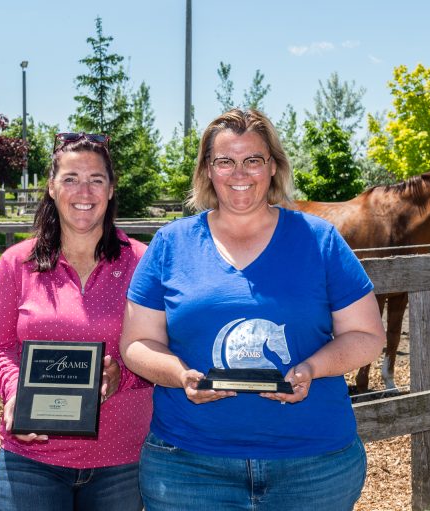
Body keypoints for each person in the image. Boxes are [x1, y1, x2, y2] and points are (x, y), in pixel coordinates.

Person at [120, 109, 387, 511]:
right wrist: (180, 376)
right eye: (225, 161)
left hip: (313, 466)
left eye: (253, 160)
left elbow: (367, 337)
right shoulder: (171, 244)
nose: (238, 173)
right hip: (189, 468)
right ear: (207, 170)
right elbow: (137, 342)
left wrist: (312, 368)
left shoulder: (320, 240)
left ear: (274, 166)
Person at [0, 132, 152, 511]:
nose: (84, 191)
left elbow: (162, 349)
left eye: (96, 180)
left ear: (110, 190)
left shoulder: (142, 264)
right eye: (71, 179)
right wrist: (15, 393)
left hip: (120, 458)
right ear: (52, 188)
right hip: (31, 458)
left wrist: (120, 375)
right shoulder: (16, 263)